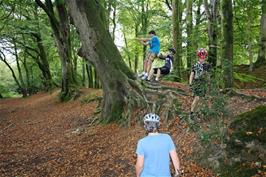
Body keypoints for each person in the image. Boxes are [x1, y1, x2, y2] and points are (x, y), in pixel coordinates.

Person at [135, 113, 181, 177]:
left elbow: (140, 165)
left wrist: (137, 175)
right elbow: (175, 158)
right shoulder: (167, 138)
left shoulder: (142, 142)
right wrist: (177, 173)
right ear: (158, 125)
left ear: (145, 126)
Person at [189, 48, 211, 119]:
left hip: (203, 83)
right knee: (197, 97)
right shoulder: (195, 65)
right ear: (199, 57)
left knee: (202, 98)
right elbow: (192, 74)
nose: (203, 58)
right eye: (201, 56)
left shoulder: (207, 65)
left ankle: (199, 112)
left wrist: (208, 83)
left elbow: (208, 75)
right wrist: (190, 83)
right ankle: (191, 113)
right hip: (197, 82)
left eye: (204, 56)